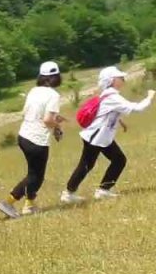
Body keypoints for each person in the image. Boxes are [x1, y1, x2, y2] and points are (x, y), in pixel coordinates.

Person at [62, 66, 154, 203]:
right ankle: (69, 194)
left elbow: (107, 112)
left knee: (117, 160)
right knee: (87, 165)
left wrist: (120, 121)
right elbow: (137, 108)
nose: (123, 79)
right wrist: (150, 96)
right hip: (96, 137)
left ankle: (103, 190)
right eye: (120, 77)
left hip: (102, 137)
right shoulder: (112, 96)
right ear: (111, 80)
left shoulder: (108, 94)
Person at [0, 62, 65, 218]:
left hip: (24, 136)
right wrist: (58, 126)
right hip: (37, 140)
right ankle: (8, 202)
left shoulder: (33, 91)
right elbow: (48, 119)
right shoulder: (53, 95)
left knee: (33, 173)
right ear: (55, 77)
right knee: (36, 177)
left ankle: (29, 205)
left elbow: (30, 113)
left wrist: (54, 124)